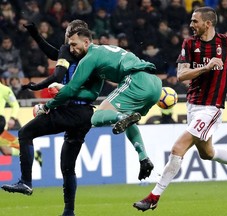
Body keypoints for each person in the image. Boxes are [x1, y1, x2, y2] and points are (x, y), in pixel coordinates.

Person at [133, 6, 227, 212]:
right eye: (192, 21)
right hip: (193, 105)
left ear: (208, 23)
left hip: (212, 108)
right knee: (207, 153)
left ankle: (154, 196)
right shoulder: (189, 44)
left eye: (195, 21)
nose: (191, 25)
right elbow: (182, 74)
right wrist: (206, 66)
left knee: (178, 149)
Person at [1, 20, 103, 216]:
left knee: (25, 133)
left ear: (82, 39)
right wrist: (35, 34)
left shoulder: (69, 51)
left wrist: (39, 89)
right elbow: (52, 53)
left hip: (69, 111)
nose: (68, 43)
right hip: (84, 116)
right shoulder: (92, 56)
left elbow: (58, 72)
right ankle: (69, 211)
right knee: (67, 166)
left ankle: (26, 182)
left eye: (70, 38)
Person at [38, 26, 163, 181]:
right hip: (155, 84)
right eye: (70, 45)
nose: (71, 49)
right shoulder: (103, 52)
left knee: (96, 117)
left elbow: (71, 90)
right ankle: (143, 158)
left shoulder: (89, 58)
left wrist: (46, 106)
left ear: (86, 42)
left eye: (74, 44)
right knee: (127, 120)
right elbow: (92, 93)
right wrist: (65, 90)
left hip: (135, 80)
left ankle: (120, 117)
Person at [0, 82, 41, 164]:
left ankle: (30, 151)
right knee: (5, 150)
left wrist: (12, 118)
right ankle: (32, 152)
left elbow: (15, 105)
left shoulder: (4, 89)